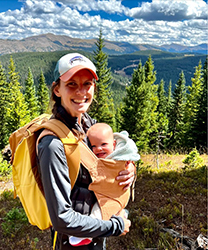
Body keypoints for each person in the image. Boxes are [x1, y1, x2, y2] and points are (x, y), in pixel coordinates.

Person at [36, 53, 136, 250]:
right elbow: (62, 218)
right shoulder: (52, 145)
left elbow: (109, 155)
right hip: (72, 244)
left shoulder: (88, 125)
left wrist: (129, 168)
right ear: (57, 89)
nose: (81, 92)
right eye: (71, 84)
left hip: (96, 237)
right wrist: (114, 226)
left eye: (87, 84)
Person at [69, 123, 140, 247]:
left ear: (113, 144)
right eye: (93, 146)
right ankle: (118, 213)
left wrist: (131, 169)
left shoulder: (89, 122)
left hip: (111, 194)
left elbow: (127, 161)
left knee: (100, 211)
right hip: (79, 208)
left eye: (103, 145)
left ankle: (85, 234)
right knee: (102, 210)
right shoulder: (63, 133)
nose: (98, 149)